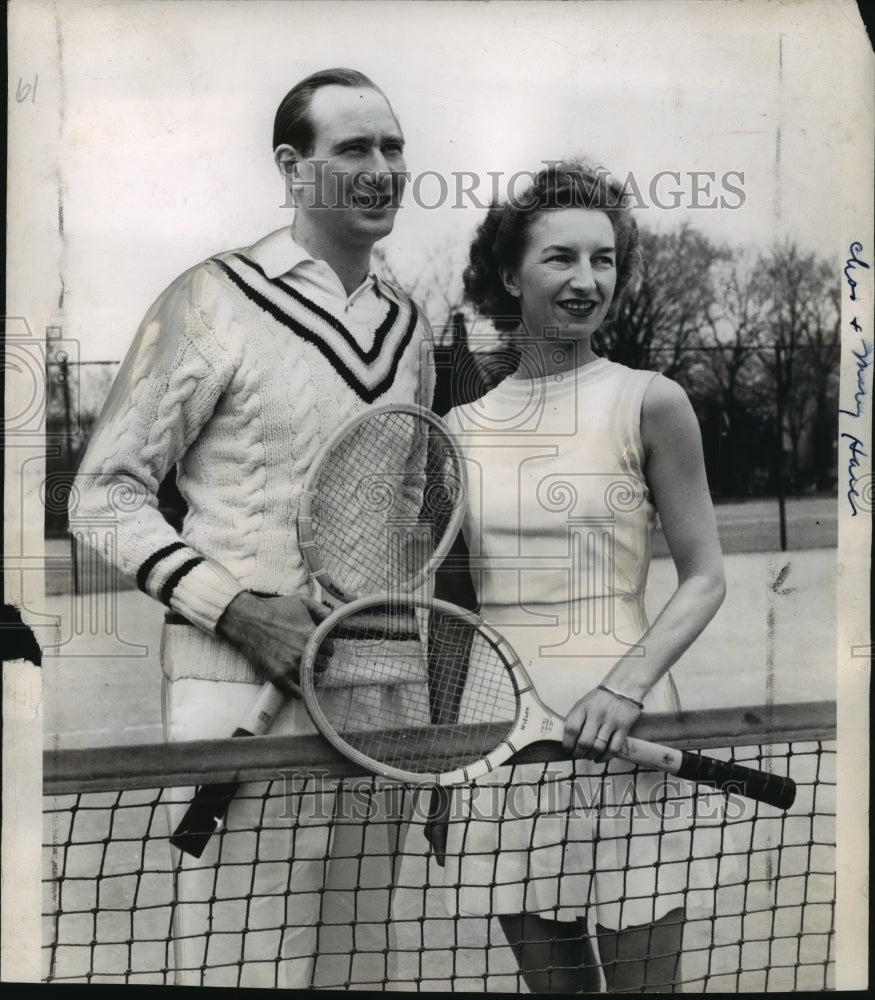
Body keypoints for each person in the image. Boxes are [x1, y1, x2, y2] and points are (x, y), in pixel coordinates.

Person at [73, 68, 434, 988]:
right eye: (353, 147)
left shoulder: (411, 327)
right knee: (248, 971)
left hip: (383, 700)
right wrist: (238, 611)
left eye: (393, 148)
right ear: (291, 165)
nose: (382, 168)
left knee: (362, 973)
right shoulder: (210, 297)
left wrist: (426, 715)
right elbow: (101, 495)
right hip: (237, 690)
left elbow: (401, 529)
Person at [430, 161, 726, 993]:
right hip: (502, 744)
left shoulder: (650, 401)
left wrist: (625, 687)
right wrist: (442, 771)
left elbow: (704, 577)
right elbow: (450, 614)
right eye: (560, 258)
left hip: (625, 735)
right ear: (507, 272)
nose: (585, 281)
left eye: (604, 260)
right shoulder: (457, 429)